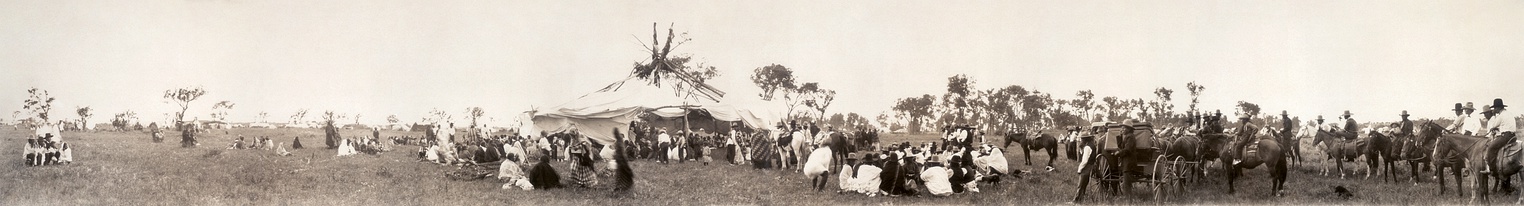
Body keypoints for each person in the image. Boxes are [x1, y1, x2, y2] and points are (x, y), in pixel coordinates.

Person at [1482, 98, 1517, 174]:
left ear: (1498, 108)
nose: (1494, 109)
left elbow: (1493, 125)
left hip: (1505, 136)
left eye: (1494, 108)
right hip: (1513, 136)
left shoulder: (1500, 116)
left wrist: (1493, 126)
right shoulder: (1509, 113)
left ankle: (1492, 169)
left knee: (1491, 147)